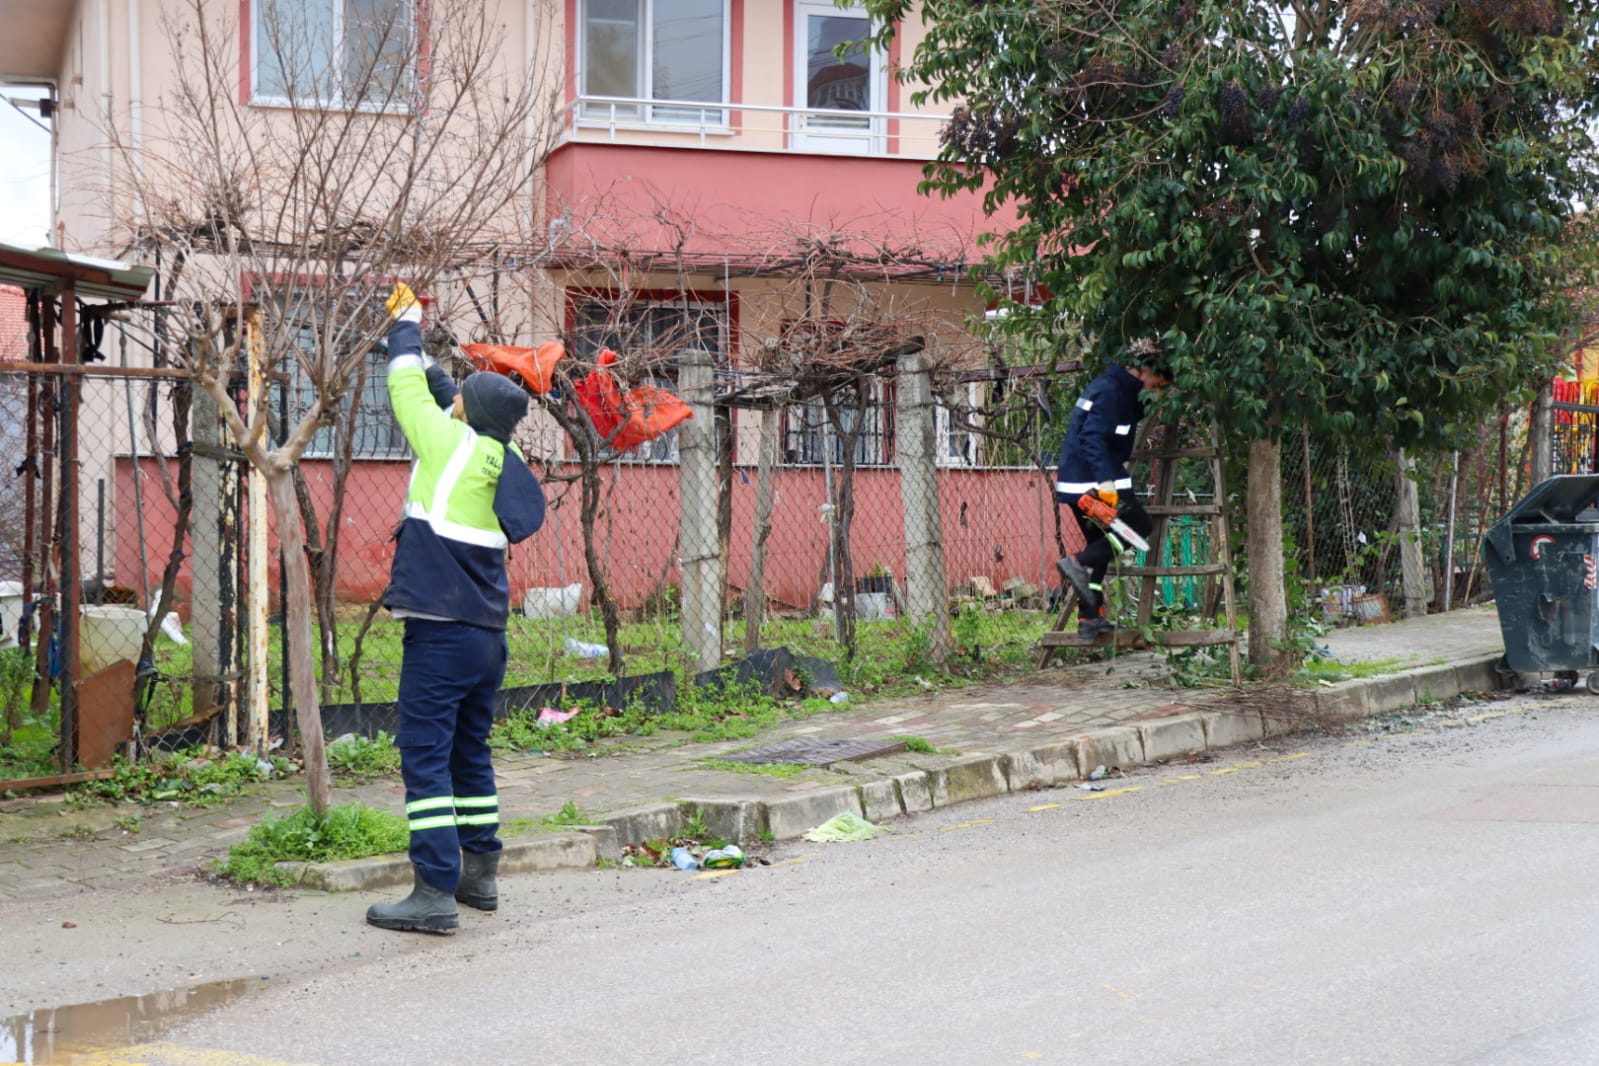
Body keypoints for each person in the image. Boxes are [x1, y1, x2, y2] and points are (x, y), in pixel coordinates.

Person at [366, 283, 546, 934]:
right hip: (487, 638)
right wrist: (436, 362)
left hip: (440, 636)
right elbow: (450, 398)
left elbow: (406, 390)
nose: (455, 403)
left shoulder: (447, 445)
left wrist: (405, 326)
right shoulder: (504, 455)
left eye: (462, 400)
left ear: (467, 414)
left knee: (425, 757)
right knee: (470, 752)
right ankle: (480, 874)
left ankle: (433, 892)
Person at [1054, 339, 1171, 638]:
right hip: (1093, 481)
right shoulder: (1111, 391)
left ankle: (1089, 618)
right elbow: (1092, 437)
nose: (1158, 392)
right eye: (1157, 384)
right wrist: (1106, 482)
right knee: (1140, 526)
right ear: (1144, 370)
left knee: (1100, 547)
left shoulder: (1122, 390)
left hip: (1085, 478)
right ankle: (1076, 563)